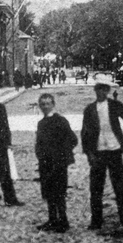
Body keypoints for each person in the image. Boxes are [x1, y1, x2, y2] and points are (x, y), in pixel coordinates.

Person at [80, 74, 123, 235]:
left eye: (104, 90)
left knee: (120, 187)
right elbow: (84, 133)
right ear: (95, 91)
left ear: (107, 91)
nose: (101, 92)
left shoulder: (115, 105)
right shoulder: (90, 109)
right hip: (98, 152)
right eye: (98, 89)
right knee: (96, 188)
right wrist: (89, 153)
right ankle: (96, 221)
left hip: (114, 150)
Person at [34, 92, 77, 232]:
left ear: (53, 105)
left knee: (59, 192)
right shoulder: (41, 123)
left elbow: (73, 139)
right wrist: (40, 155)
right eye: (43, 104)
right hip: (45, 163)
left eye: (48, 103)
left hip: (58, 163)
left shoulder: (61, 121)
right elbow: (39, 143)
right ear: (40, 106)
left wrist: (61, 155)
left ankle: (63, 221)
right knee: (48, 192)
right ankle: (52, 220)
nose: (45, 106)